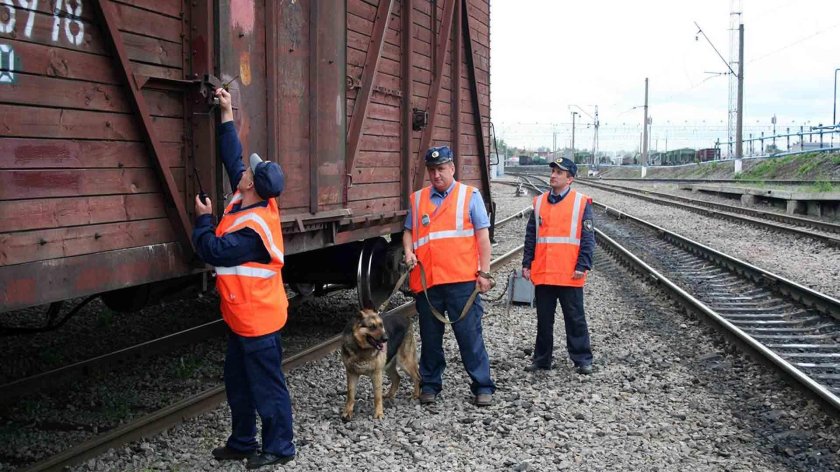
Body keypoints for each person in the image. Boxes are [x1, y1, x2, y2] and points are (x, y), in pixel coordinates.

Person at [192, 88, 295, 469]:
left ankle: (280, 448)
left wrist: (203, 219)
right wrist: (226, 112)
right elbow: (232, 156)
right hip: (243, 319)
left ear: (252, 183)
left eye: (249, 171)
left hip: (259, 323)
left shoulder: (254, 231)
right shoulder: (251, 196)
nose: (244, 170)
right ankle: (242, 442)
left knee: (267, 388)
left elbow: (213, 251)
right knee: (238, 384)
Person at [402, 145, 496, 407]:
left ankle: (482, 385)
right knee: (430, 340)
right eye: (432, 170)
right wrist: (408, 251)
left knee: (469, 338)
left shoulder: (470, 195)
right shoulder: (418, 198)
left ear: (452, 168)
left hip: (462, 283)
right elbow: (409, 231)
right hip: (428, 283)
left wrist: (484, 273)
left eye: (441, 169)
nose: (436, 175)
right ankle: (430, 385)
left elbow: (483, 237)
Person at [521, 157, 595, 375]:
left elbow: (588, 237)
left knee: (575, 318)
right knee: (544, 320)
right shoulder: (539, 202)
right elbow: (531, 235)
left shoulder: (581, 203)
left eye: (559, 172)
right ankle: (542, 359)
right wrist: (527, 263)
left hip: (569, 273)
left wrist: (583, 265)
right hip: (544, 272)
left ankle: (582, 359)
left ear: (569, 179)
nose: (553, 175)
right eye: (553, 171)